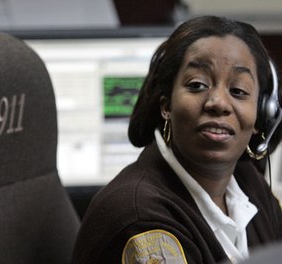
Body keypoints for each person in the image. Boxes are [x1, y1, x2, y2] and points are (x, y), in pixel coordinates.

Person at [71, 16, 282, 264]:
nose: (218, 103)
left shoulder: (248, 183)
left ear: (262, 115)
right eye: (197, 85)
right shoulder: (142, 220)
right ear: (166, 106)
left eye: (238, 91)